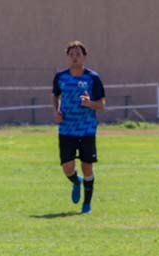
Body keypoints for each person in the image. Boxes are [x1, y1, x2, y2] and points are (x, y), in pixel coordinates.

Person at [52, 41, 105, 214]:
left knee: (87, 166)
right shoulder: (60, 77)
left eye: (78, 54)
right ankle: (76, 181)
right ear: (68, 57)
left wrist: (90, 103)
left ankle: (86, 204)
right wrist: (57, 111)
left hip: (86, 129)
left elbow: (101, 104)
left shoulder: (93, 78)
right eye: (71, 54)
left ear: (84, 57)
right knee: (67, 168)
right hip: (66, 129)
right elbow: (56, 95)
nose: (75, 58)